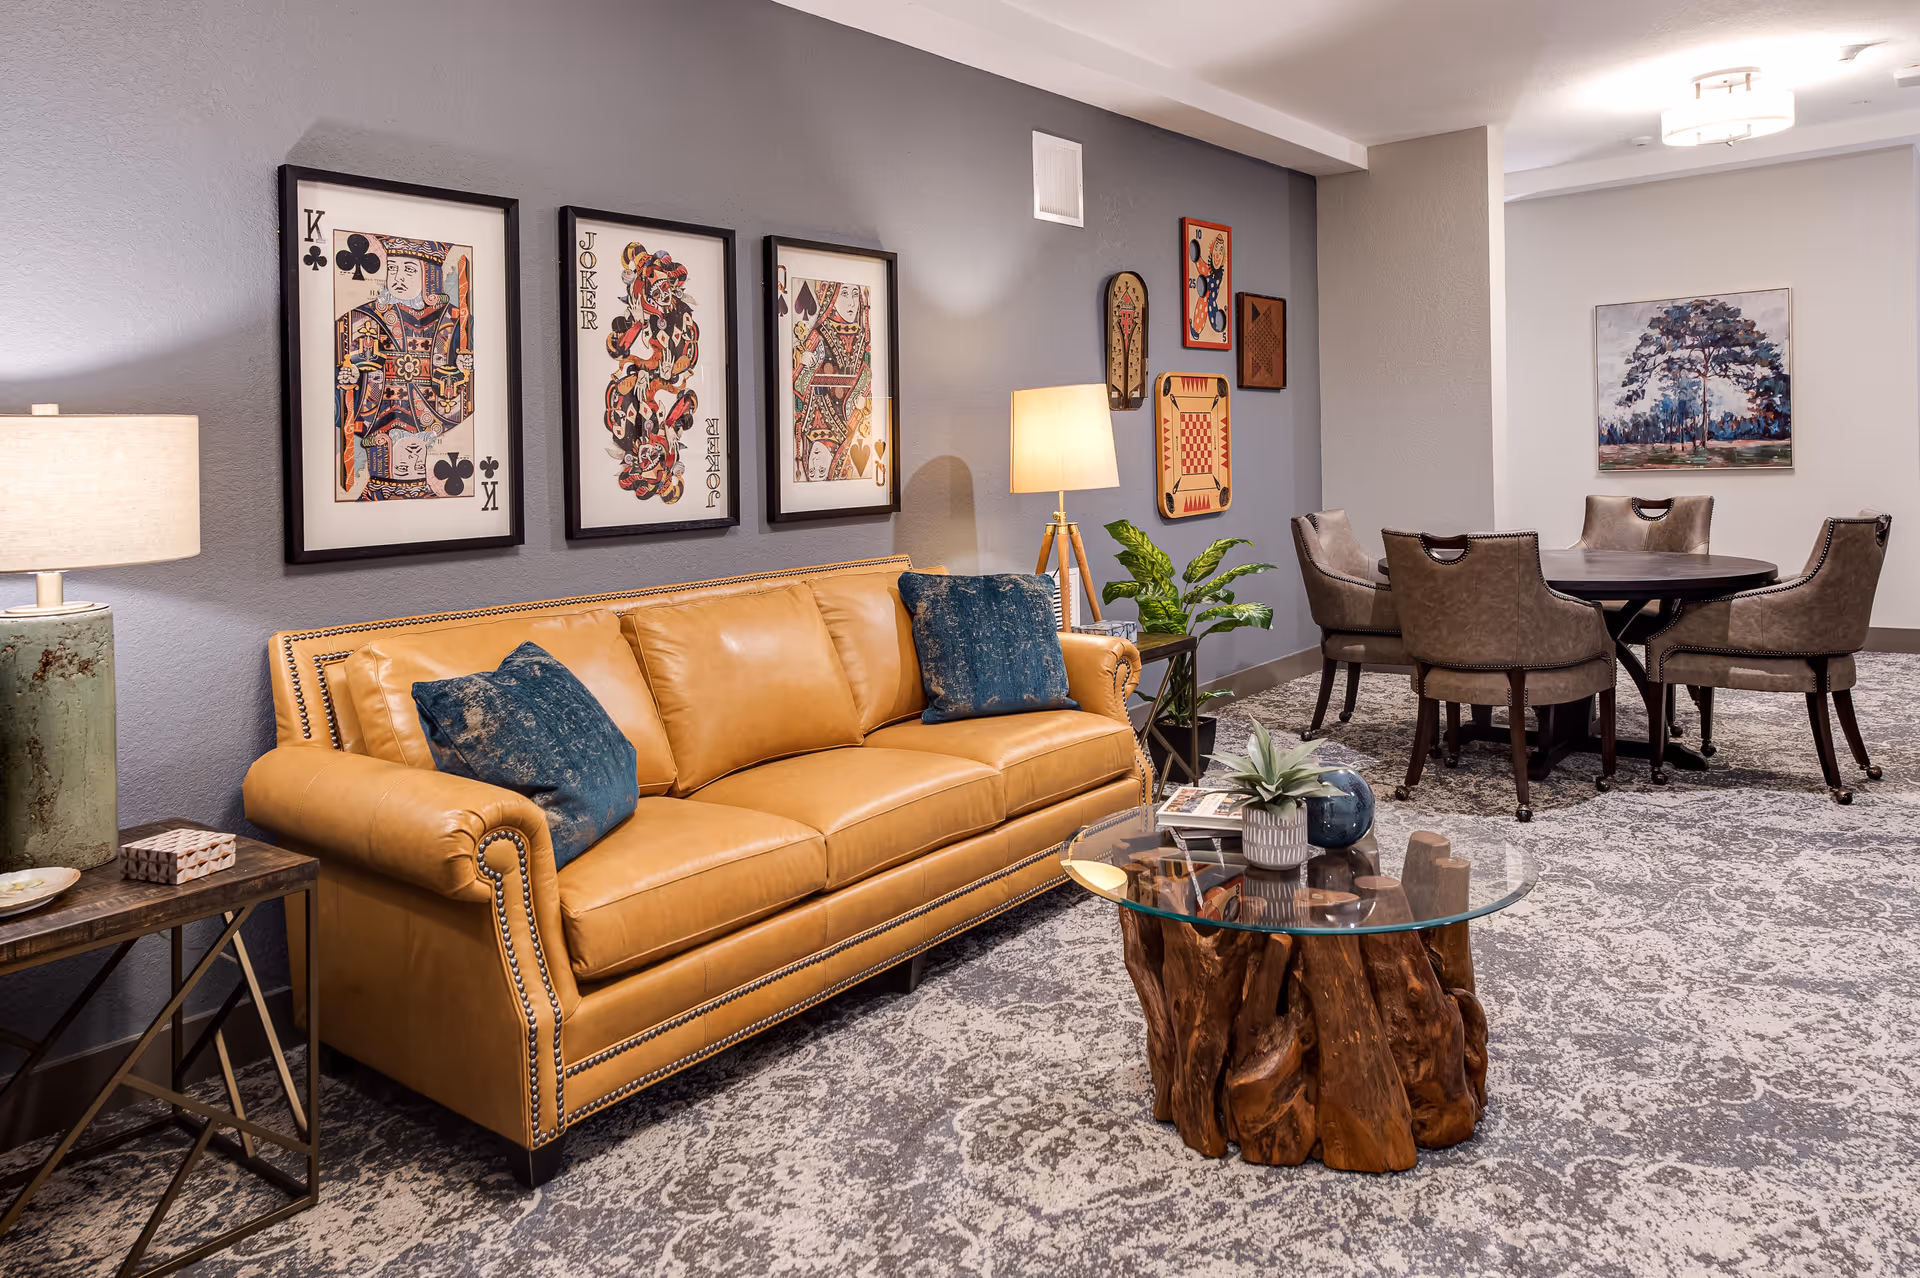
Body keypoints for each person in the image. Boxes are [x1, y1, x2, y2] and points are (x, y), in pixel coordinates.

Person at [334, 236, 472, 500]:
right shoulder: (360, 318)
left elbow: (470, 385)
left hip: (429, 414)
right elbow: (339, 374)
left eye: (409, 269)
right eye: (393, 267)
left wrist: (465, 367)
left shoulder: (456, 320)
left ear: (428, 277)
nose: (398, 277)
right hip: (379, 417)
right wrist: (347, 379)